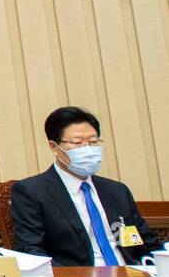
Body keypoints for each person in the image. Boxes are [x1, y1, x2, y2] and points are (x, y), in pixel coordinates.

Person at [11, 106, 159, 266]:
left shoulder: (117, 191)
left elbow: (147, 243)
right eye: (77, 143)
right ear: (54, 147)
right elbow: (31, 251)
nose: (87, 149)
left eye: (93, 142)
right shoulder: (32, 192)